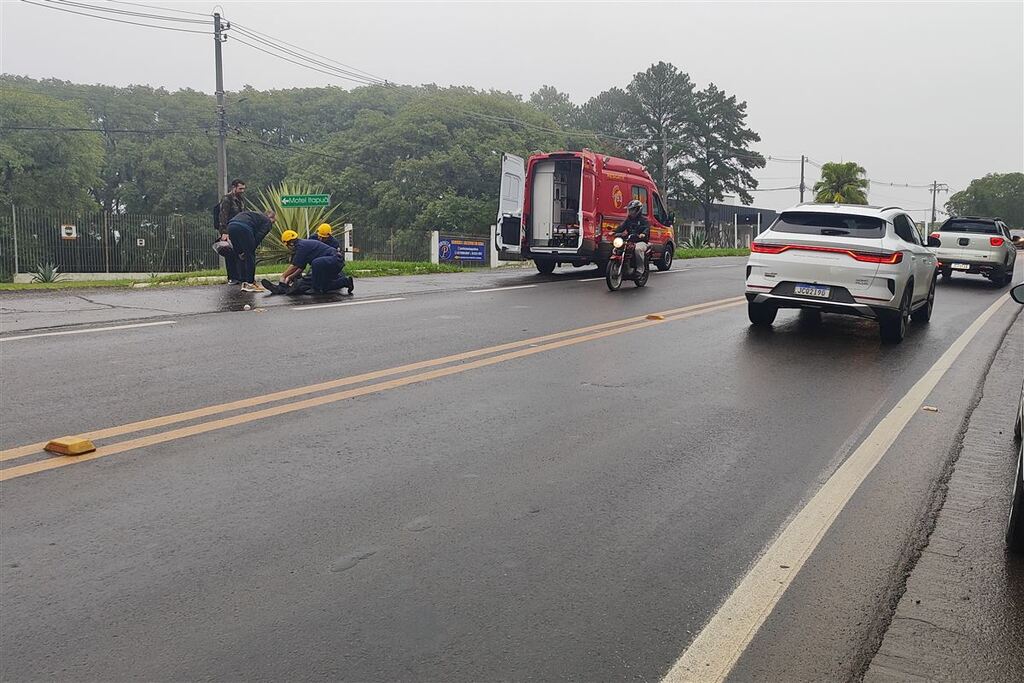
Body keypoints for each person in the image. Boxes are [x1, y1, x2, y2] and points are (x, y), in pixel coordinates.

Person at [265, 230, 353, 295]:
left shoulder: (302, 246)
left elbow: (294, 266)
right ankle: (346, 282)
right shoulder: (302, 246)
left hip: (335, 260)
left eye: (287, 245)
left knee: (314, 265)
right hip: (329, 264)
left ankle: (312, 289)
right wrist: (290, 277)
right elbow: (300, 268)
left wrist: (283, 276)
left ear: (290, 243)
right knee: (324, 287)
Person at [226, 210, 276, 292]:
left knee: (240, 254)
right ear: (270, 217)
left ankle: (243, 281)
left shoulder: (254, 215)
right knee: (250, 255)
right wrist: (251, 248)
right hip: (244, 227)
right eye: (274, 221)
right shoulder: (267, 221)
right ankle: (250, 283)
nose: (274, 223)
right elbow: (259, 236)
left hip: (231, 226)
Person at [615, 199, 650, 276]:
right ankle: (620, 266)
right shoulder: (628, 220)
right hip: (630, 240)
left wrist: (643, 234)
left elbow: (646, 228)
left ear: (638, 210)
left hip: (641, 241)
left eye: (632, 210)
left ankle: (640, 269)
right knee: (617, 248)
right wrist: (614, 232)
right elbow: (621, 227)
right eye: (629, 210)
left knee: (637, 249)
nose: (630, 212)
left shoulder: (644, 220)